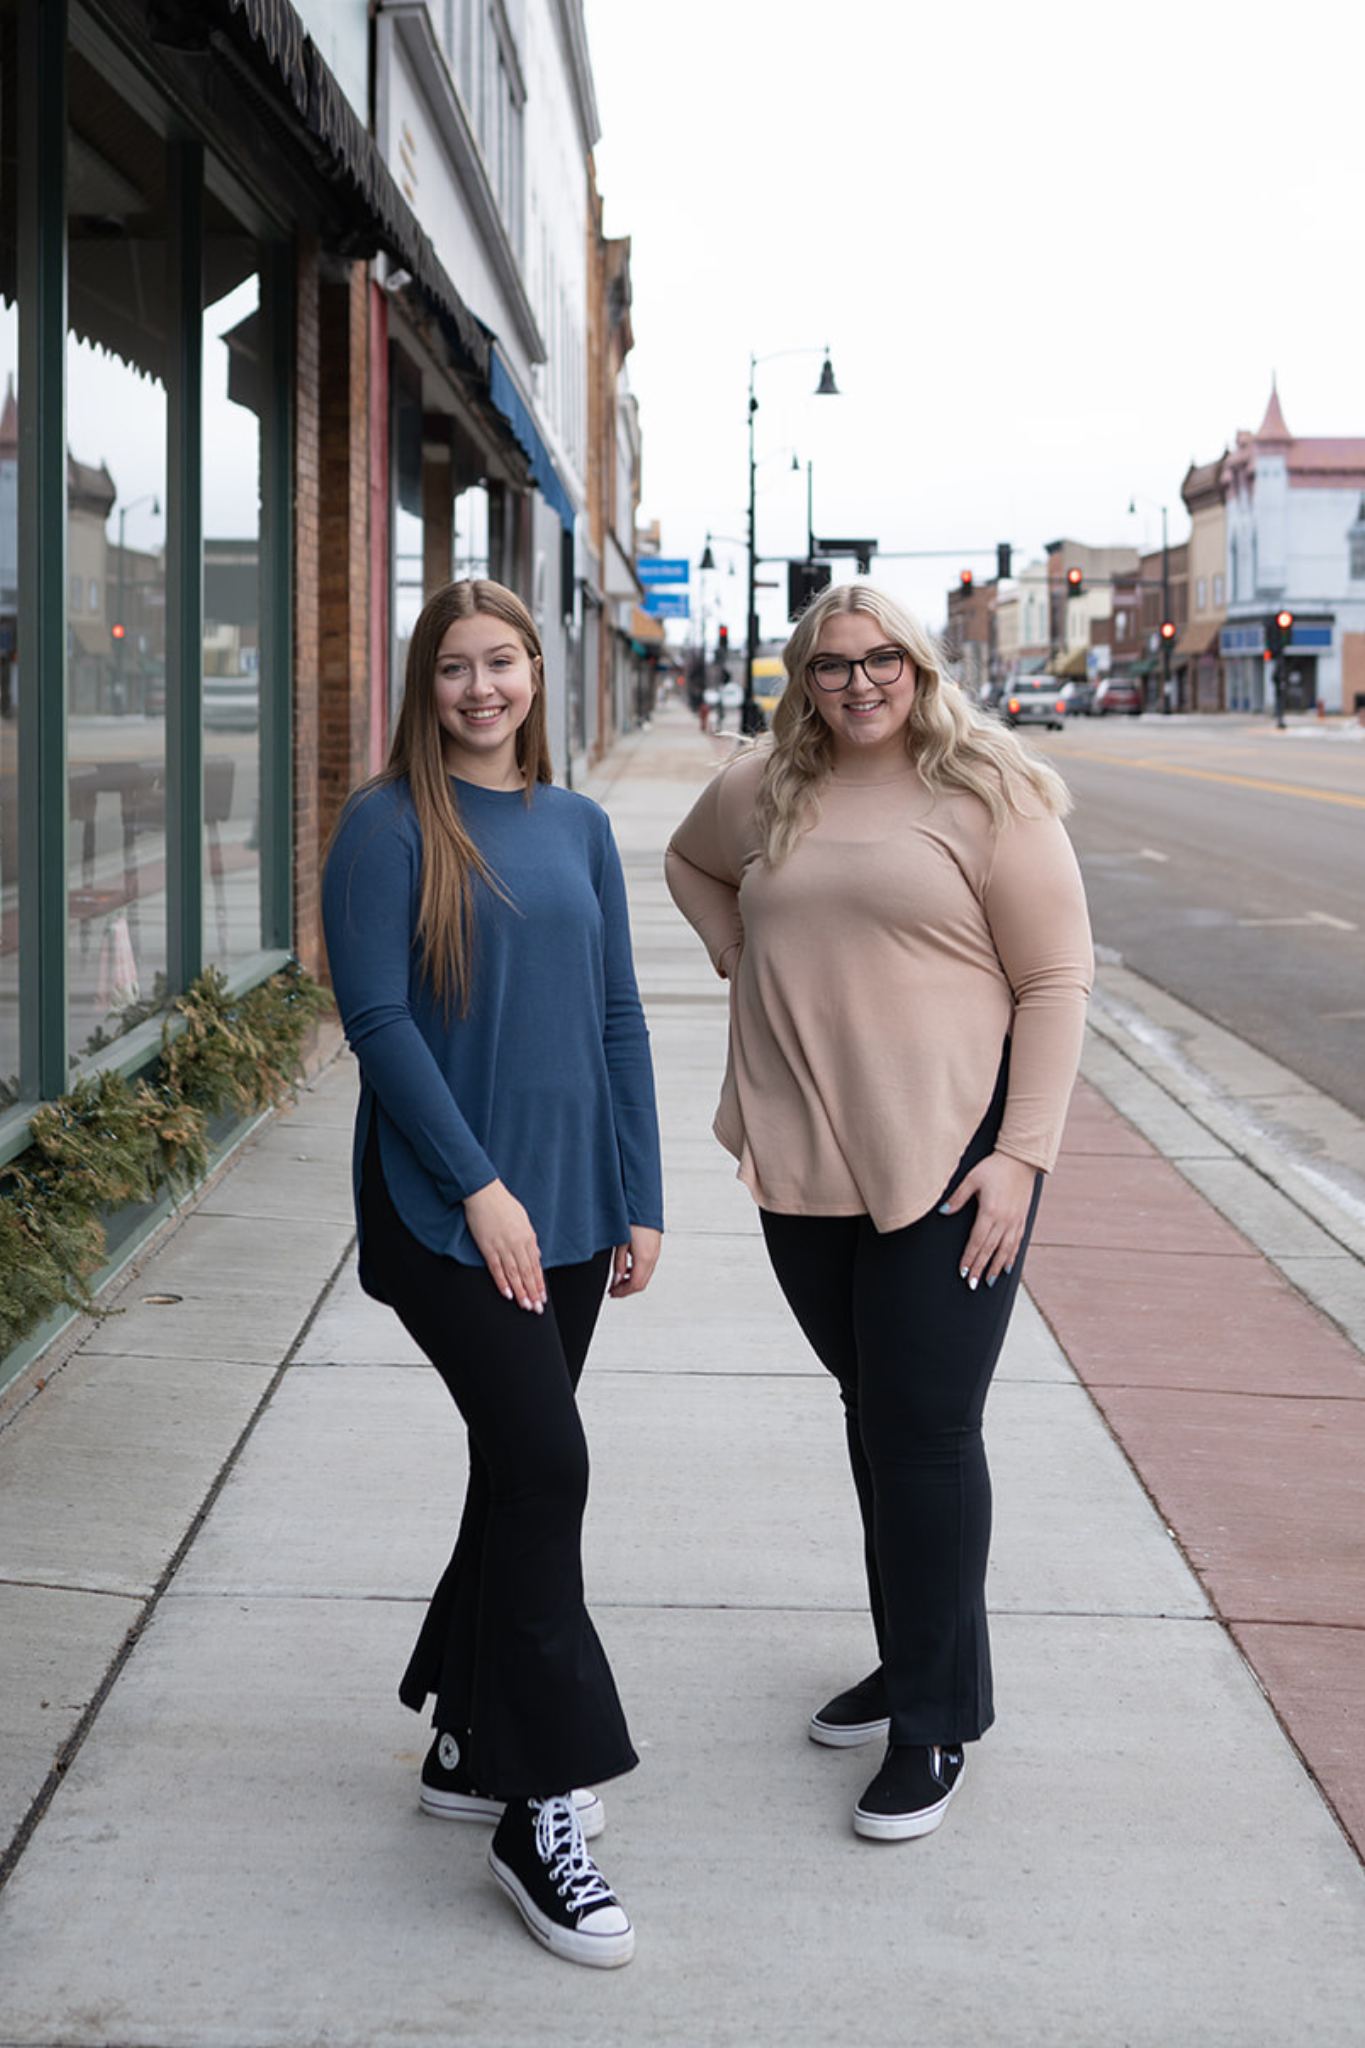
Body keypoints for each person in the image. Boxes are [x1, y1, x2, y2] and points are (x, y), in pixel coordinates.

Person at [665, 581, 1092, 1843]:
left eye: (882, 660)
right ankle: (910, 1653)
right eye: (832, 665)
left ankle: (937, 1716)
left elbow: (1058, 980)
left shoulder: (991, 793)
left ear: (919, 663)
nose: (859, 683)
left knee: (925, 1431)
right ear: (802, 680)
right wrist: (739, 953)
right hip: (806, 1161)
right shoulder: (765, 786)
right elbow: (691, 865)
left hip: (957, 1160)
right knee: (878, 1414)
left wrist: (1023, 1155)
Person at [322, 579, 663, 1968]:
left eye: (503, 663)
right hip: (444, 1211)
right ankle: (540, 1802)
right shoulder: (386, 824)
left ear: (537, 671)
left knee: (518, 1469)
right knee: (549, 1466)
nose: (481, 689)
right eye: (456, 667)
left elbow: (619, 1017)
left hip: (577, 1208)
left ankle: (465, 1738)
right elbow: (378, 1020)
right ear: (427, 682)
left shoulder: (578, 825)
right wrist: (479, 1186)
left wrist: (639, 1196)